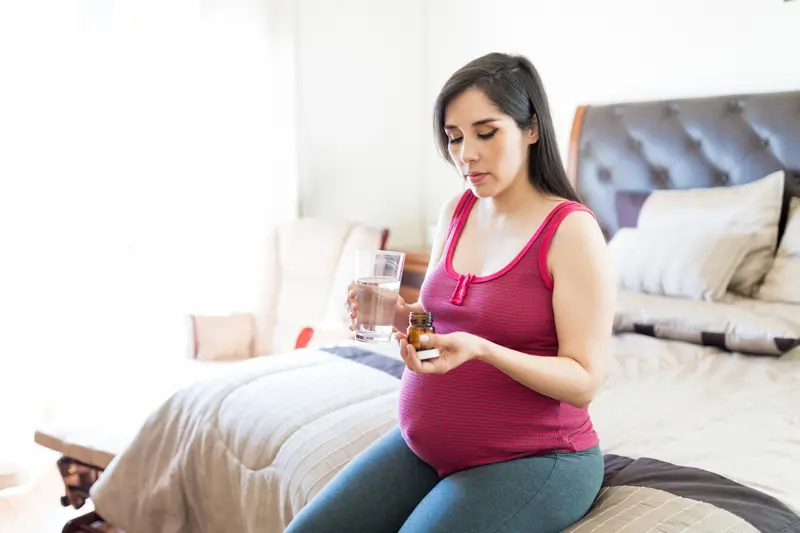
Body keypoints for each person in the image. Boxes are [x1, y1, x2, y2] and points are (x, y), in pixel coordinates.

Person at [284, 52, 616, 533]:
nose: (466, 154)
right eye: (454, 137)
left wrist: (482, 350)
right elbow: (438, 322)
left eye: (486, 133)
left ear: (531, 128)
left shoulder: (571, 232)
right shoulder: (457, 211)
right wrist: (399, 316)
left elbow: (584, 379)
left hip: (535, 459)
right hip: (424, 447)